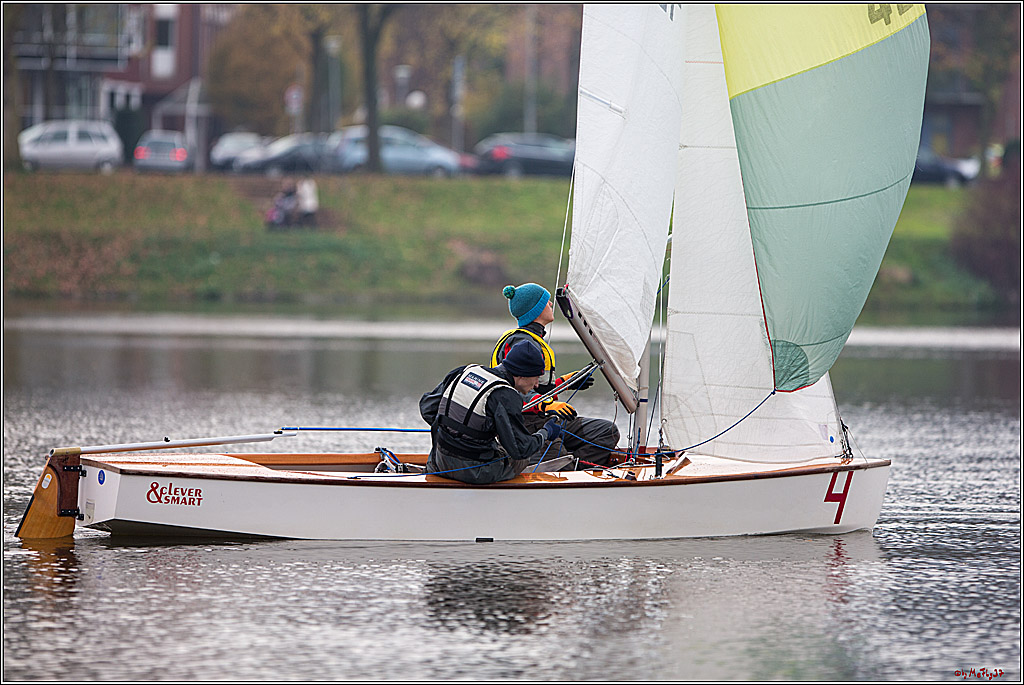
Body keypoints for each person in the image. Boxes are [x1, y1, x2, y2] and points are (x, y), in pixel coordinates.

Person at [492, 283, 620, 468]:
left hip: (546, 418)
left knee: (606, 432)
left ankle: (577, 472)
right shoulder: (522, 344)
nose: (551, 303)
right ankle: (566, 470)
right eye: (545, 301)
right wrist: (547, 404)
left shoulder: (532, 340)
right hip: (527, 425)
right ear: (535, 310)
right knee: (561, 465)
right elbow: (513, 389)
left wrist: (567, 382)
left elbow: (538, 386)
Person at [420, 340, 563, 485]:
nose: (537, 385)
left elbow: (428, 408)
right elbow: (520, 449)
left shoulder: (465, 371)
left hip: (439, 463)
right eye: (537, 377)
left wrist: (461, 433)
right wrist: (546, 432)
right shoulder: (506, 395)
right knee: (522, 458)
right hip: (475, 472)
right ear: (522, 374)